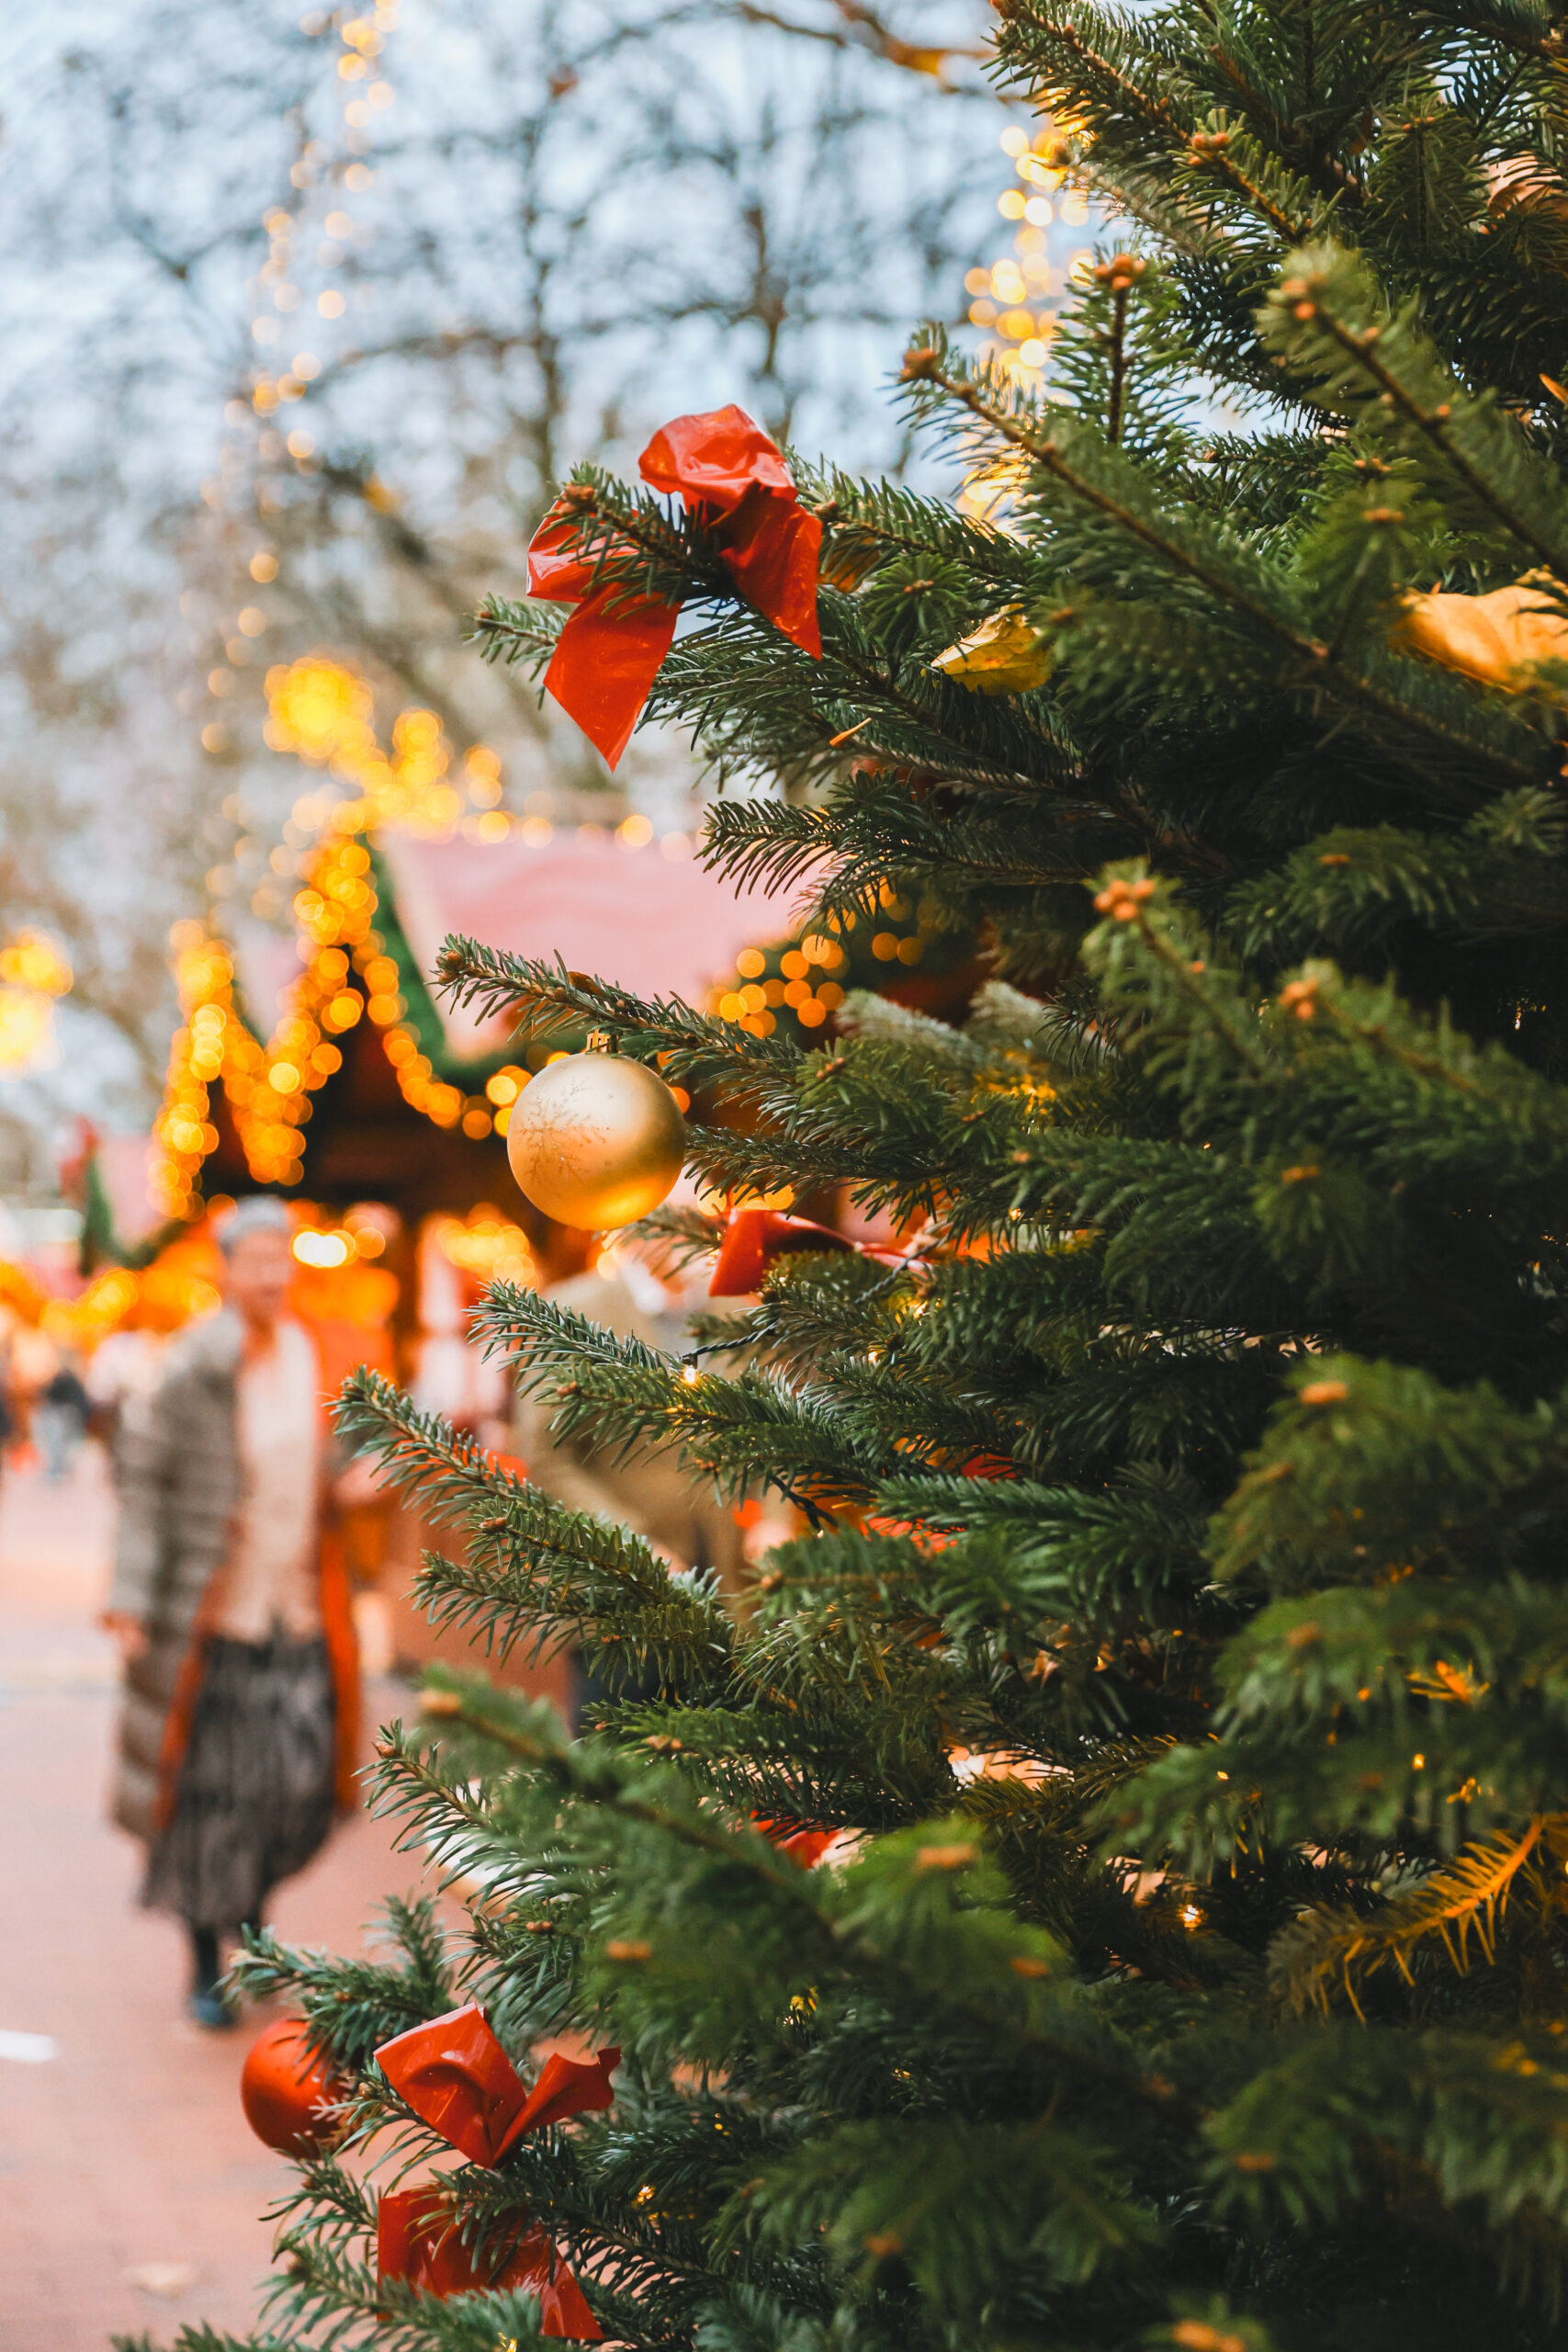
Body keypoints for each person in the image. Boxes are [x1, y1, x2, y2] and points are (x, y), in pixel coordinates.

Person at [101, 1197, 367, 2029]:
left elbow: (326, 1461)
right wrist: (130, 1599)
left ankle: (252, 1925)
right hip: (210, 1623)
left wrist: (349, 1483)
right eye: (255, 1260)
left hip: (298, 1614)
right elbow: (144, 1490)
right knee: (212, 1798)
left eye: (281, 1258)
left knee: (294, 1786)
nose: (272, 1275)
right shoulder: (192, 1367)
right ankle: (206, 1964)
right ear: (225, 1269)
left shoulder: (313, 1354)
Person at [510, 1219, 745, 1722]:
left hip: (729, 1583)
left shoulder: (738, 1312)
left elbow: (771, 1427)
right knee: (616, 1776)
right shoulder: (574, 1310)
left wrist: (770, 1519)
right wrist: (631, 1545)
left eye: (707, 1223)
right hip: (619, 1597)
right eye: (679, 1223)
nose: (696, 1238)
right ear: (636, 1228)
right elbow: (546, 1453)